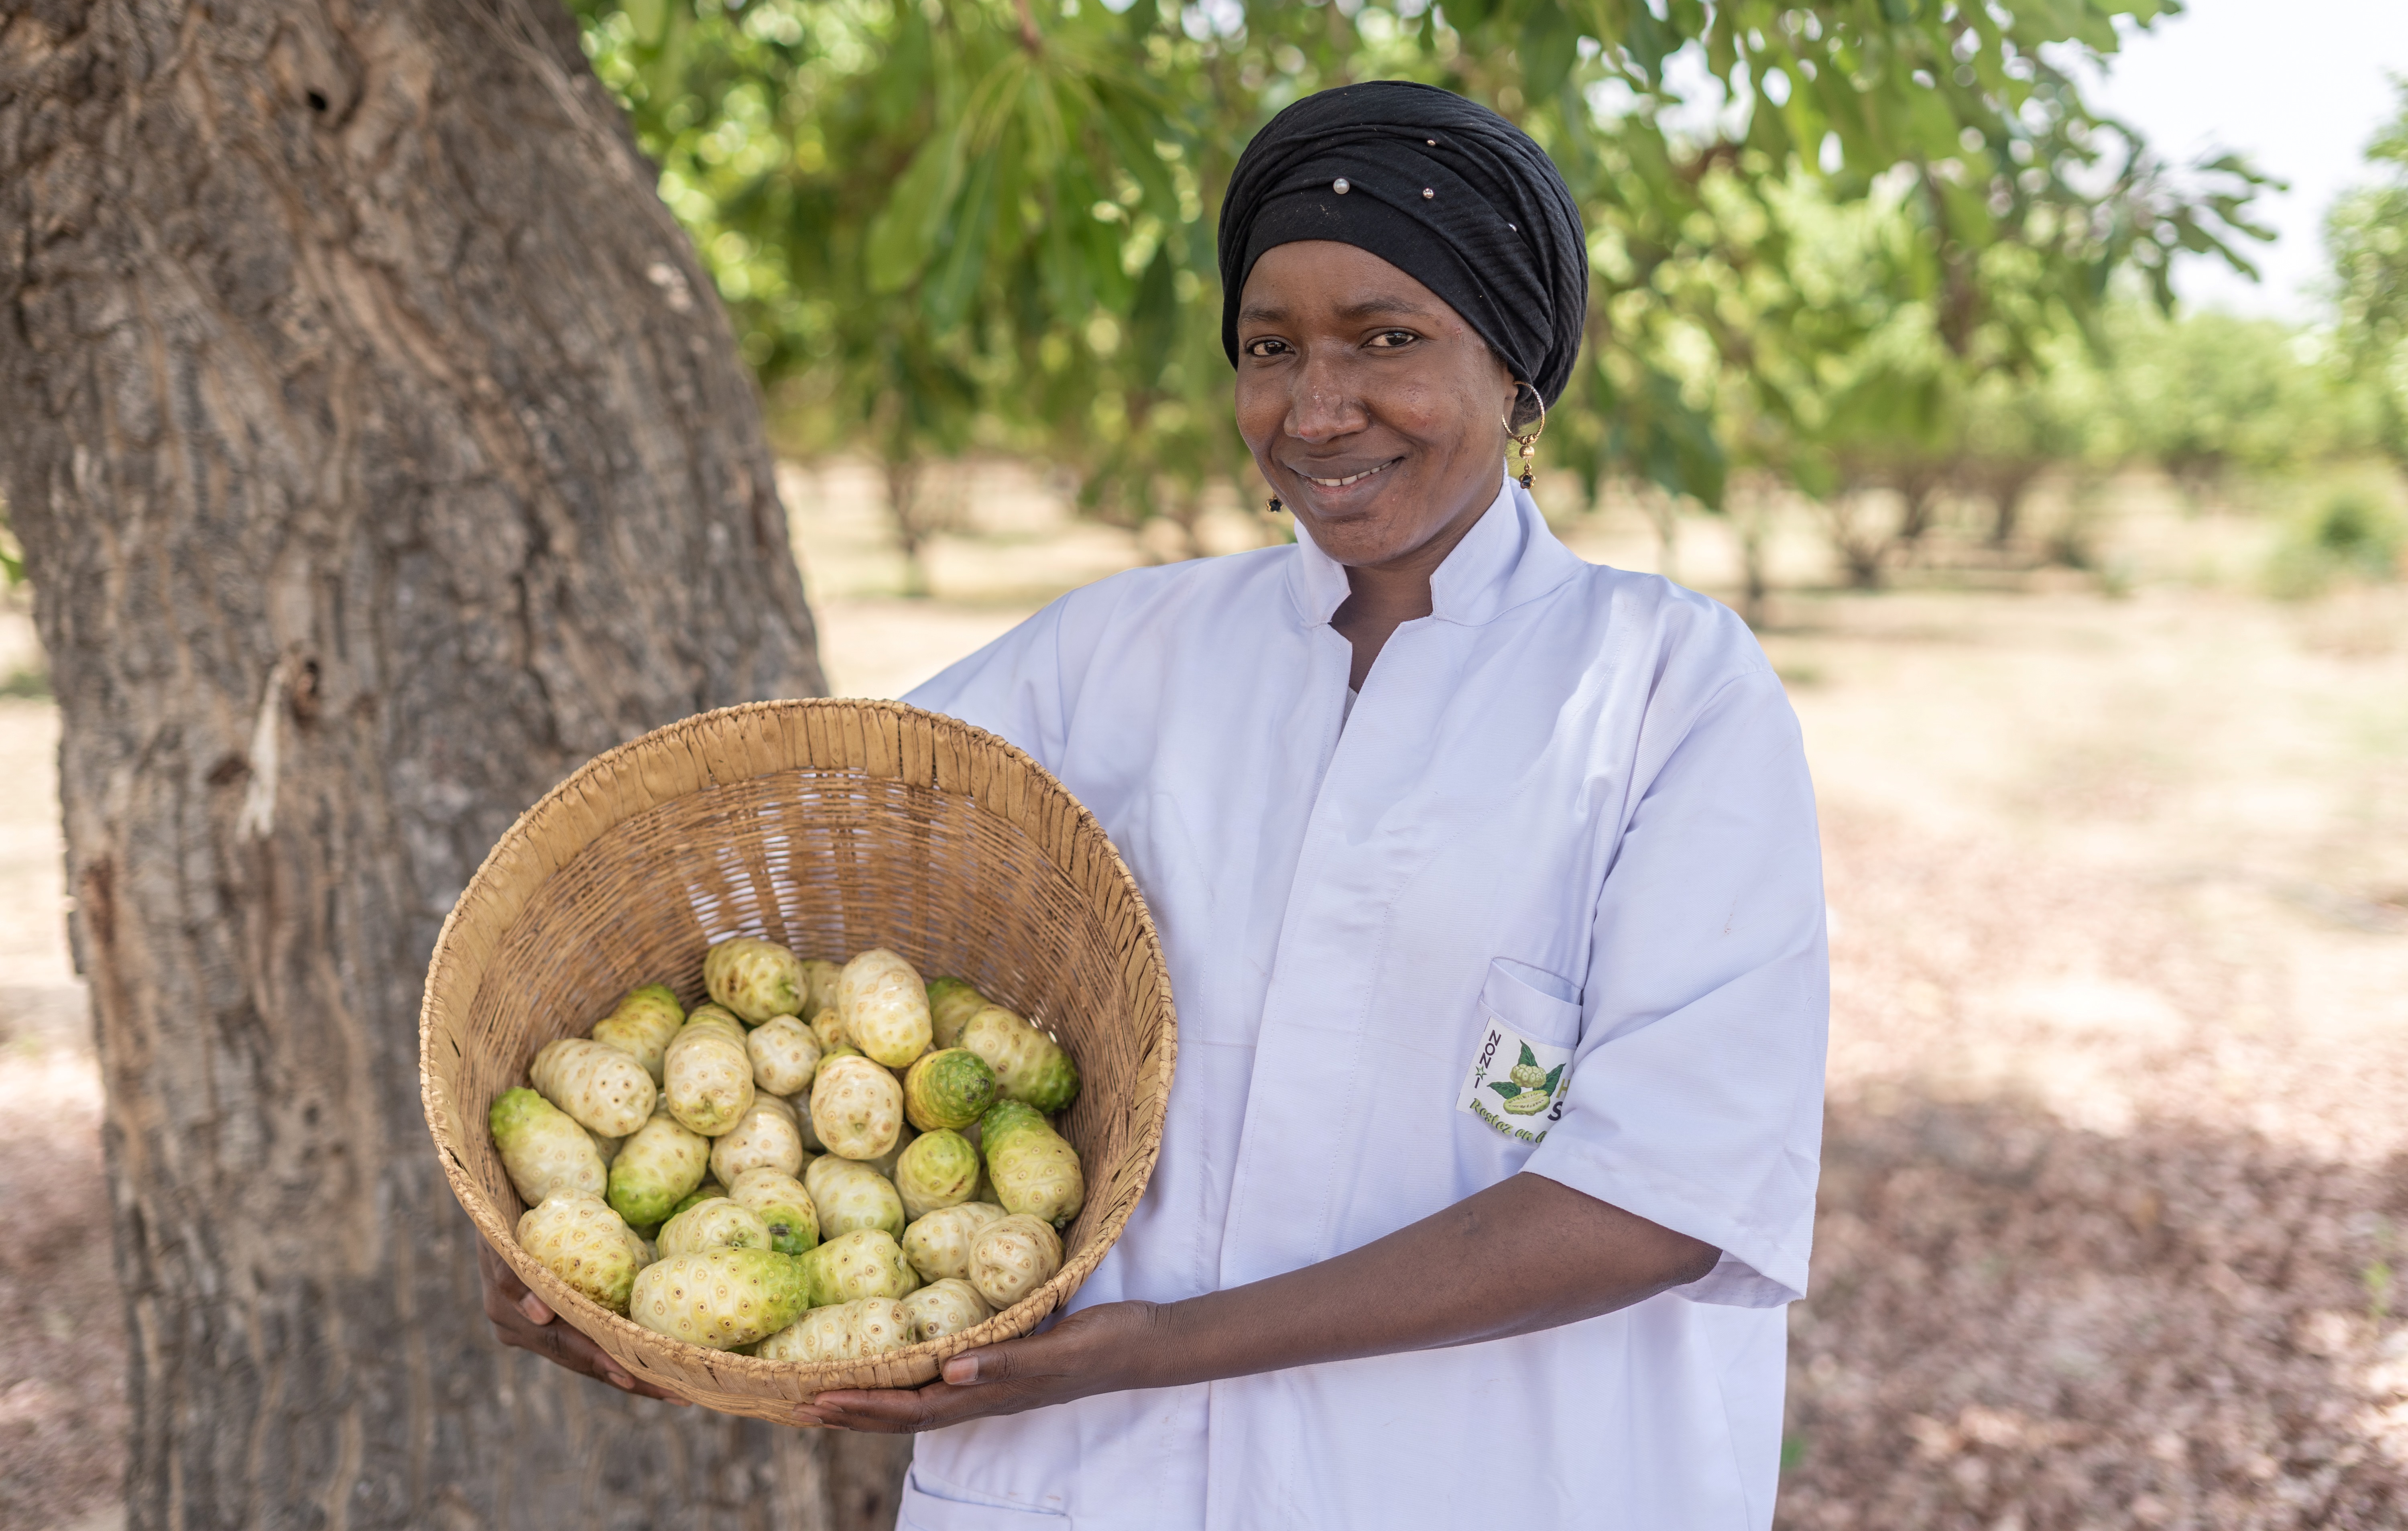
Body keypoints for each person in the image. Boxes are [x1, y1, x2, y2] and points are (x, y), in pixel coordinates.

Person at [480, 80, 1828, 1529]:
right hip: (1088, 1488)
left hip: (1486, 1477)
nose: (1316, 408)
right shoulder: (1115, 657)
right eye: (1270, 349)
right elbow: (764, 868)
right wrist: (607, 1245)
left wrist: (1161, 1352)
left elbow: (1658, 1203)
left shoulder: (1664, 691)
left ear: (1517, 367)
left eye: (1389, 339)